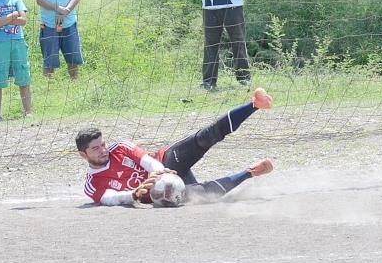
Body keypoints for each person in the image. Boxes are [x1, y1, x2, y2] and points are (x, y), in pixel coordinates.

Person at [77, 88, 275, 206]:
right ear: (83, 155)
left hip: (166, 163)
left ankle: (255, 104)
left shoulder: (119, 147)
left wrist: (159, 172)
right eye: (95, 149)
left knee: (205, 137)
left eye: (102, 144)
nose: (103, 150)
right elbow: (110, 199)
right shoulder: (92, 183)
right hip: (162, 195)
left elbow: (146, 160)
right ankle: (250, 172)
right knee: (203, 195)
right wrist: (135, 193)